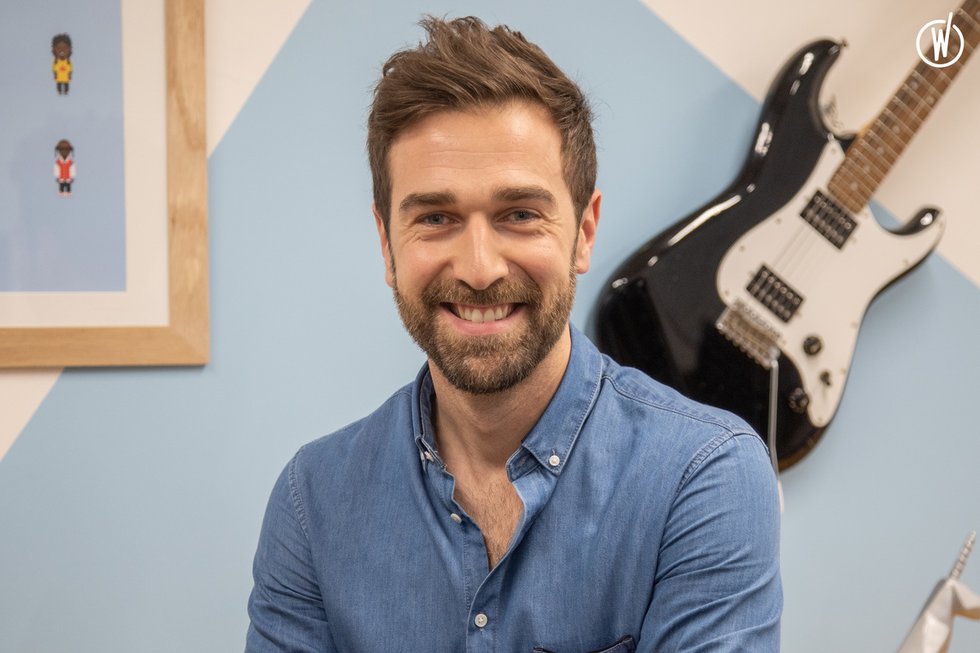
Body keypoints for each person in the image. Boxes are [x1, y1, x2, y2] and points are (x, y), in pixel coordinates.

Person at [246, 16, 781, 653]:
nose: (479, 269)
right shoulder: (312, 500)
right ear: (387, 245)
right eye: (435, 218)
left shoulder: (704, 474)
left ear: (583, 232)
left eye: (520, 214)